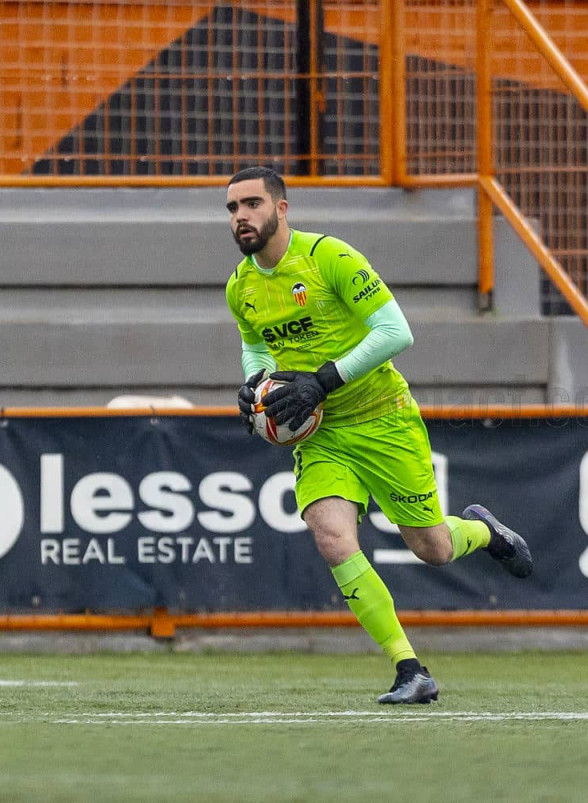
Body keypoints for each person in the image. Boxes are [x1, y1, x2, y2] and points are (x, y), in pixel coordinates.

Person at [224, 166, 533, 704]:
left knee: (433, 548)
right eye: (232, 208)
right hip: (321, 432)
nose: (241, 216)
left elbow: (396, 332)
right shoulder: (240, 286)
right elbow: (255, 345)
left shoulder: (329, 258)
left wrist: (324, 379)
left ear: (282, 208)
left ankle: (484, 532)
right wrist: (256, 382)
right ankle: (409, 669)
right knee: (331, 536)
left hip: (382, 415)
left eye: (252, 204)